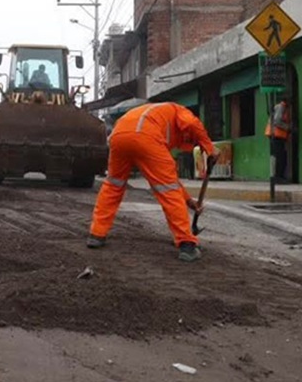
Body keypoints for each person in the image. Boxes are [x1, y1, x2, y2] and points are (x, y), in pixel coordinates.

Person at [86, 102, 217, 262]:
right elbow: (192, 123)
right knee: (169, 192)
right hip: (144, 136)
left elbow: (170, 181)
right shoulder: (178, 110)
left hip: (118, 137)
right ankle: (187, 244)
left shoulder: (158, 116)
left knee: (113, 186)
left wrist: (189, 201)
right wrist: (209, 148)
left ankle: (96, 234)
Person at [265, 95, 292, 182]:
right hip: (276, 135)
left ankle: (278, 177)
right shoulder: (281, 107)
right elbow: (277, 121)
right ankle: (277, 177)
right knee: (280, 157)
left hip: (278, 136)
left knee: (281, 156)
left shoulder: (282, 107)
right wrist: (287, 127)